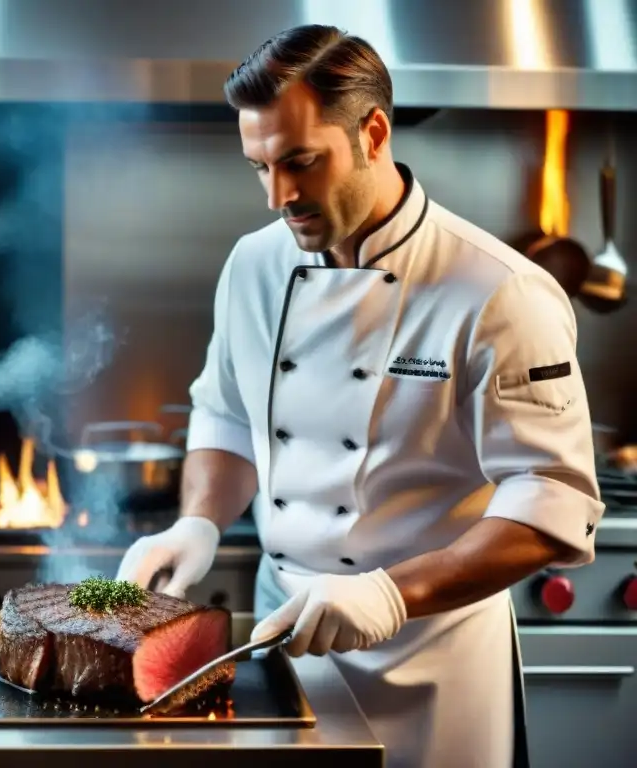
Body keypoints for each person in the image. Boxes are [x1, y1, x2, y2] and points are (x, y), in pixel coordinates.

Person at [115, 23, 603, 768]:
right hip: (284, 641)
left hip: (433, 670)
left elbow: (552, 504)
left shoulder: (499, 292)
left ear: (373, 131)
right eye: (259, 167)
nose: (279, 195)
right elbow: (226, 414)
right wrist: (199, 525)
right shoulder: (252, 266)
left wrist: (391, 595)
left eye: (301, 163)